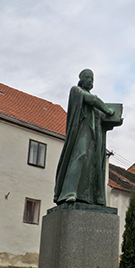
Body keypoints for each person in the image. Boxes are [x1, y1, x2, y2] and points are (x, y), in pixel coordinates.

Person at [54, 69, 115, 205]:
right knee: (80, 156)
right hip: (82, 131)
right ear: (81, 79)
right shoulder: (76, 91)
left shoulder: (96, 106)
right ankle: (68, 192)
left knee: (94, 163)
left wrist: (115, 120)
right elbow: (92, 100)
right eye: (87, 78)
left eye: (92, 79)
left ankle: (91, 197)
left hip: (95, 136)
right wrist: (108, 110)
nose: (90, 81)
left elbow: (102, 119)